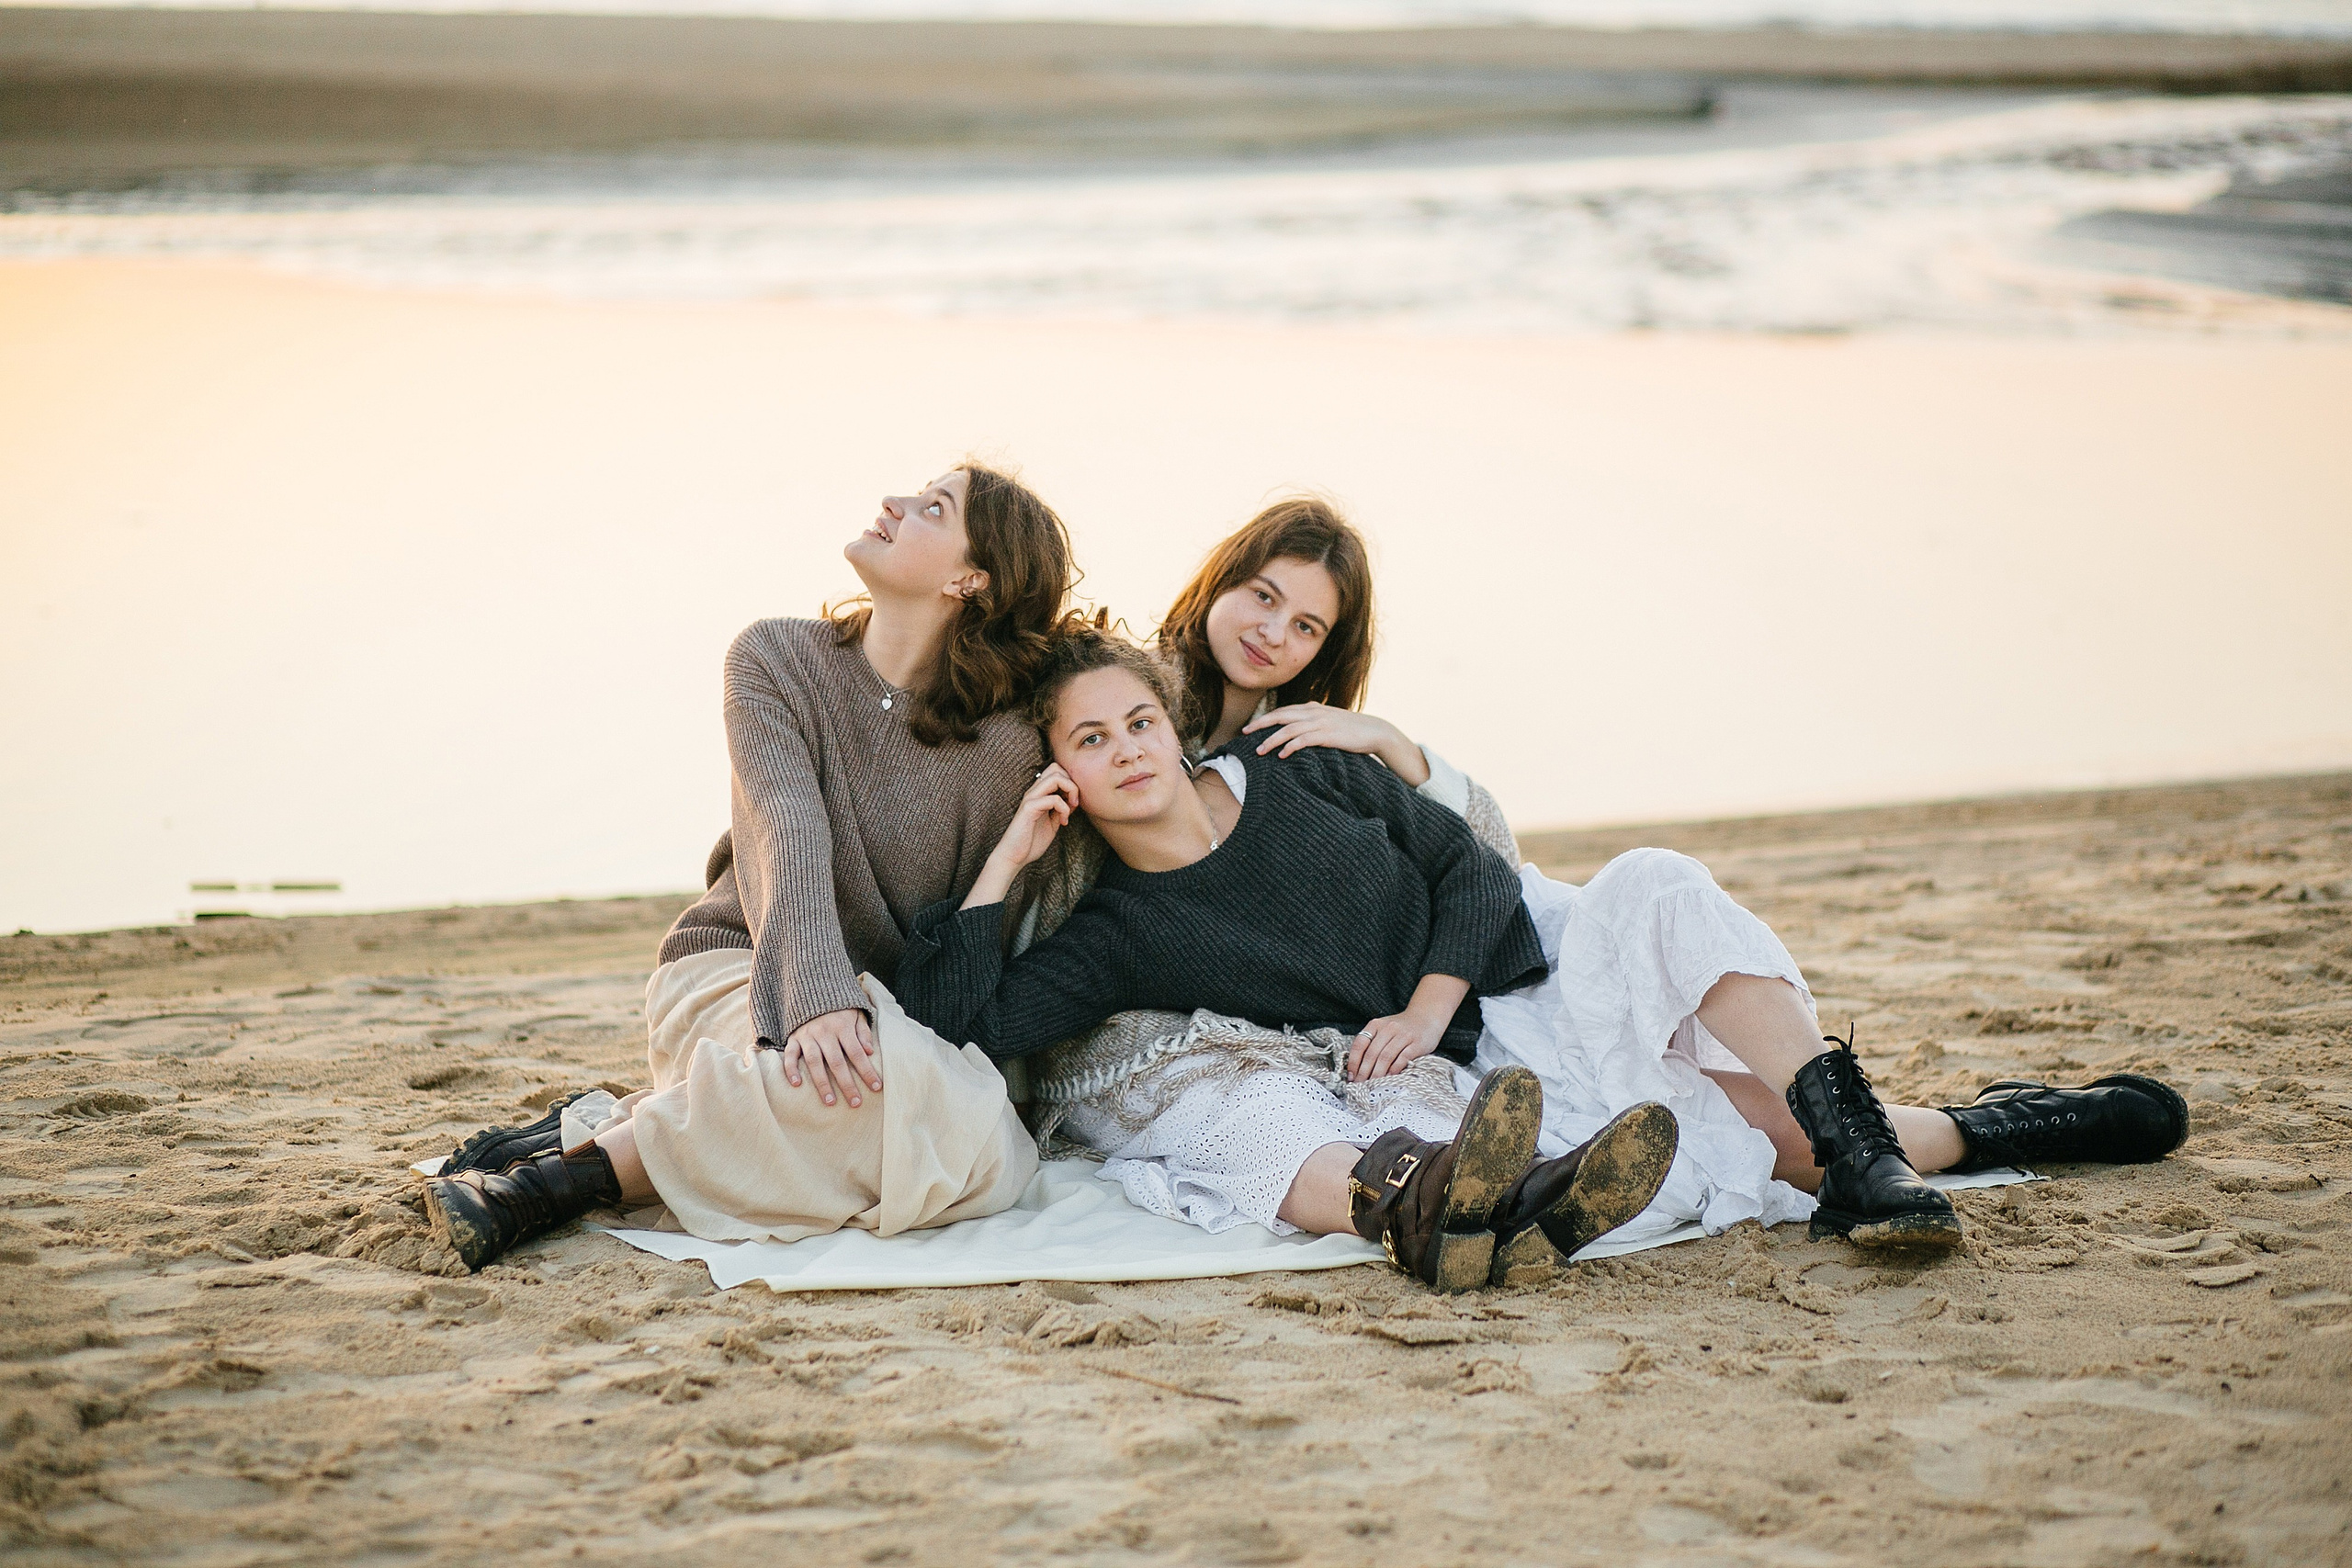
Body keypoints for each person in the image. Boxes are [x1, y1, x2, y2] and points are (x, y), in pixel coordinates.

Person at [1095, 494, 2188, 1251]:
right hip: (1428, 1016)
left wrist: (1395, 745)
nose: (1273, 632)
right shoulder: (1126, 713)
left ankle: (1877, 1149)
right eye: (1262, 596)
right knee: (1753, 1142)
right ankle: (1997, 1128)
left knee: (1661, 891)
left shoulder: (1331, 740)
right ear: (1219, 580)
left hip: (1504, 951)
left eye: (1306, 623)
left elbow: (1485, 855)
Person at [423, 462, 1079, 1271]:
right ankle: (547, 1185)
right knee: (872, 1114)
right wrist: (816, 997)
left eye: (931, 509)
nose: (894, 503)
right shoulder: (774, 658)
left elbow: (1145, 698)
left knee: (986, 1148)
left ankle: (606, 1126)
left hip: (879, 1019)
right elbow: (784, 836)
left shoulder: (1009, 743)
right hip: (736, 961)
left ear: (970, 579)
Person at [895, 629, 1685, 1292]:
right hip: (1365, 1071)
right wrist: (1005, 862)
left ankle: (1518, 1204)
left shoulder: (1291, 763)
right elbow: (964, 1022)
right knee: (1305, 1119)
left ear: (1173, 728)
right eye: (1092, 740)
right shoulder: (1120, 932)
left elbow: (1473, 865)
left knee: (1454, 1122)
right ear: (1062, 776)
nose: (1128, 751)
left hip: (1465, 1013)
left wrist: (1425, 1009)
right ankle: (1473, 1212)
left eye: (1140, 723)